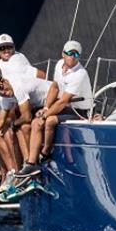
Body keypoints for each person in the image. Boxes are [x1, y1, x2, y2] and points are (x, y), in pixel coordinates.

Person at [21, 40, 93, 177]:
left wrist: (46, 115)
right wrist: (46, 108)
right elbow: (55, 87)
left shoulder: (80, 73)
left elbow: (63, 101)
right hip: (66, 108)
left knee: (49, 121)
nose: (73, 56)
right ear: (63, 54)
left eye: (76, 54)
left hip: (80, 111)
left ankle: (46, 152)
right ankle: (31, 164)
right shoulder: (59, 65)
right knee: (36, 122)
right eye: (70, 53)